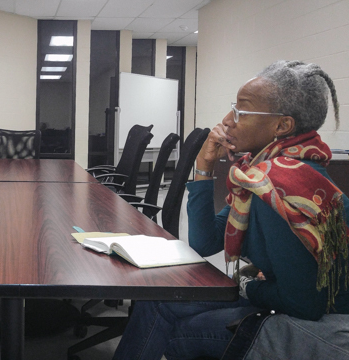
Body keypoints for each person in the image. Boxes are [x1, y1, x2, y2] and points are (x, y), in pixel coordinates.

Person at [113, 60, 349, 360]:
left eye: (242, 111)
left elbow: (304, 304)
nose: (227, 120)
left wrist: (247, 283)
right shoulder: (260, 175)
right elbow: (206, 241)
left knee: (179, 331)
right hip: (286, 301)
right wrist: (204, 167)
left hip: (315, 324)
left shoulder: (278, 186)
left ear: (282, 126)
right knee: (158, 301)